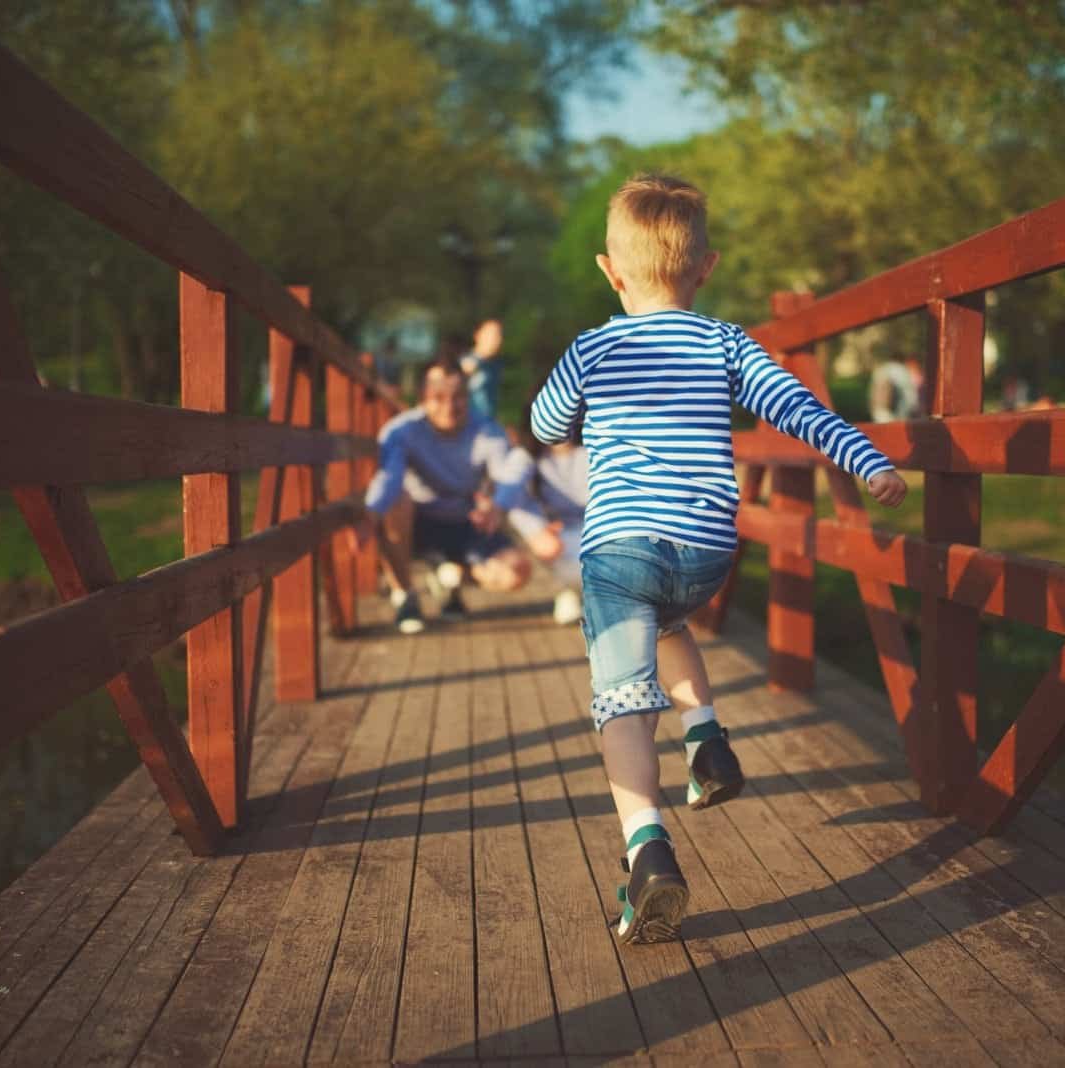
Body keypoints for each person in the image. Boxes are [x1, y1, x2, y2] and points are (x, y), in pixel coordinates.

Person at [530, 173, 907, 945]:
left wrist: (578, 401)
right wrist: (869, 463)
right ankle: (704, 736)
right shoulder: (725, 341)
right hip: (705, 553)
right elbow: (799, 409)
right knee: (668, 619)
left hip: (619, 547)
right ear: (707, 268)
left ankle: (647, 852)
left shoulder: (594, 346)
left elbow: (543, 425)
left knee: (622, 698)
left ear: (610, 269)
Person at [359, 352, 532, 634]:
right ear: (423, 397)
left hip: (466, 522)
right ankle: (405, 595)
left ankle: (451, 578)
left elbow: (505, 474)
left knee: (517, 572)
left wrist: (496, 505)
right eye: (438, 396)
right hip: (418, 524)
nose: (449, 405)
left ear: (468, 395)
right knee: (394, 501)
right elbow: (388, 478)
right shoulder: (401, 431)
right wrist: (371, 511)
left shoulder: (488, 430)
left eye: (458, 395)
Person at [484, 389, 589, 626]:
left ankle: (587, 596)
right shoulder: (527, 455)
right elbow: (510, 485)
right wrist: (534, 529)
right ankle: (572, 591)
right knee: (552, 542)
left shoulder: (595, 448)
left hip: (598, 529)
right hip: (559, 535)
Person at [460, 318, 505, 422]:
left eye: (499, 335)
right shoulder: (465, 364)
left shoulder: (496, 365)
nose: (496, 340)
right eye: (491, 335)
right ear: (477, 335)